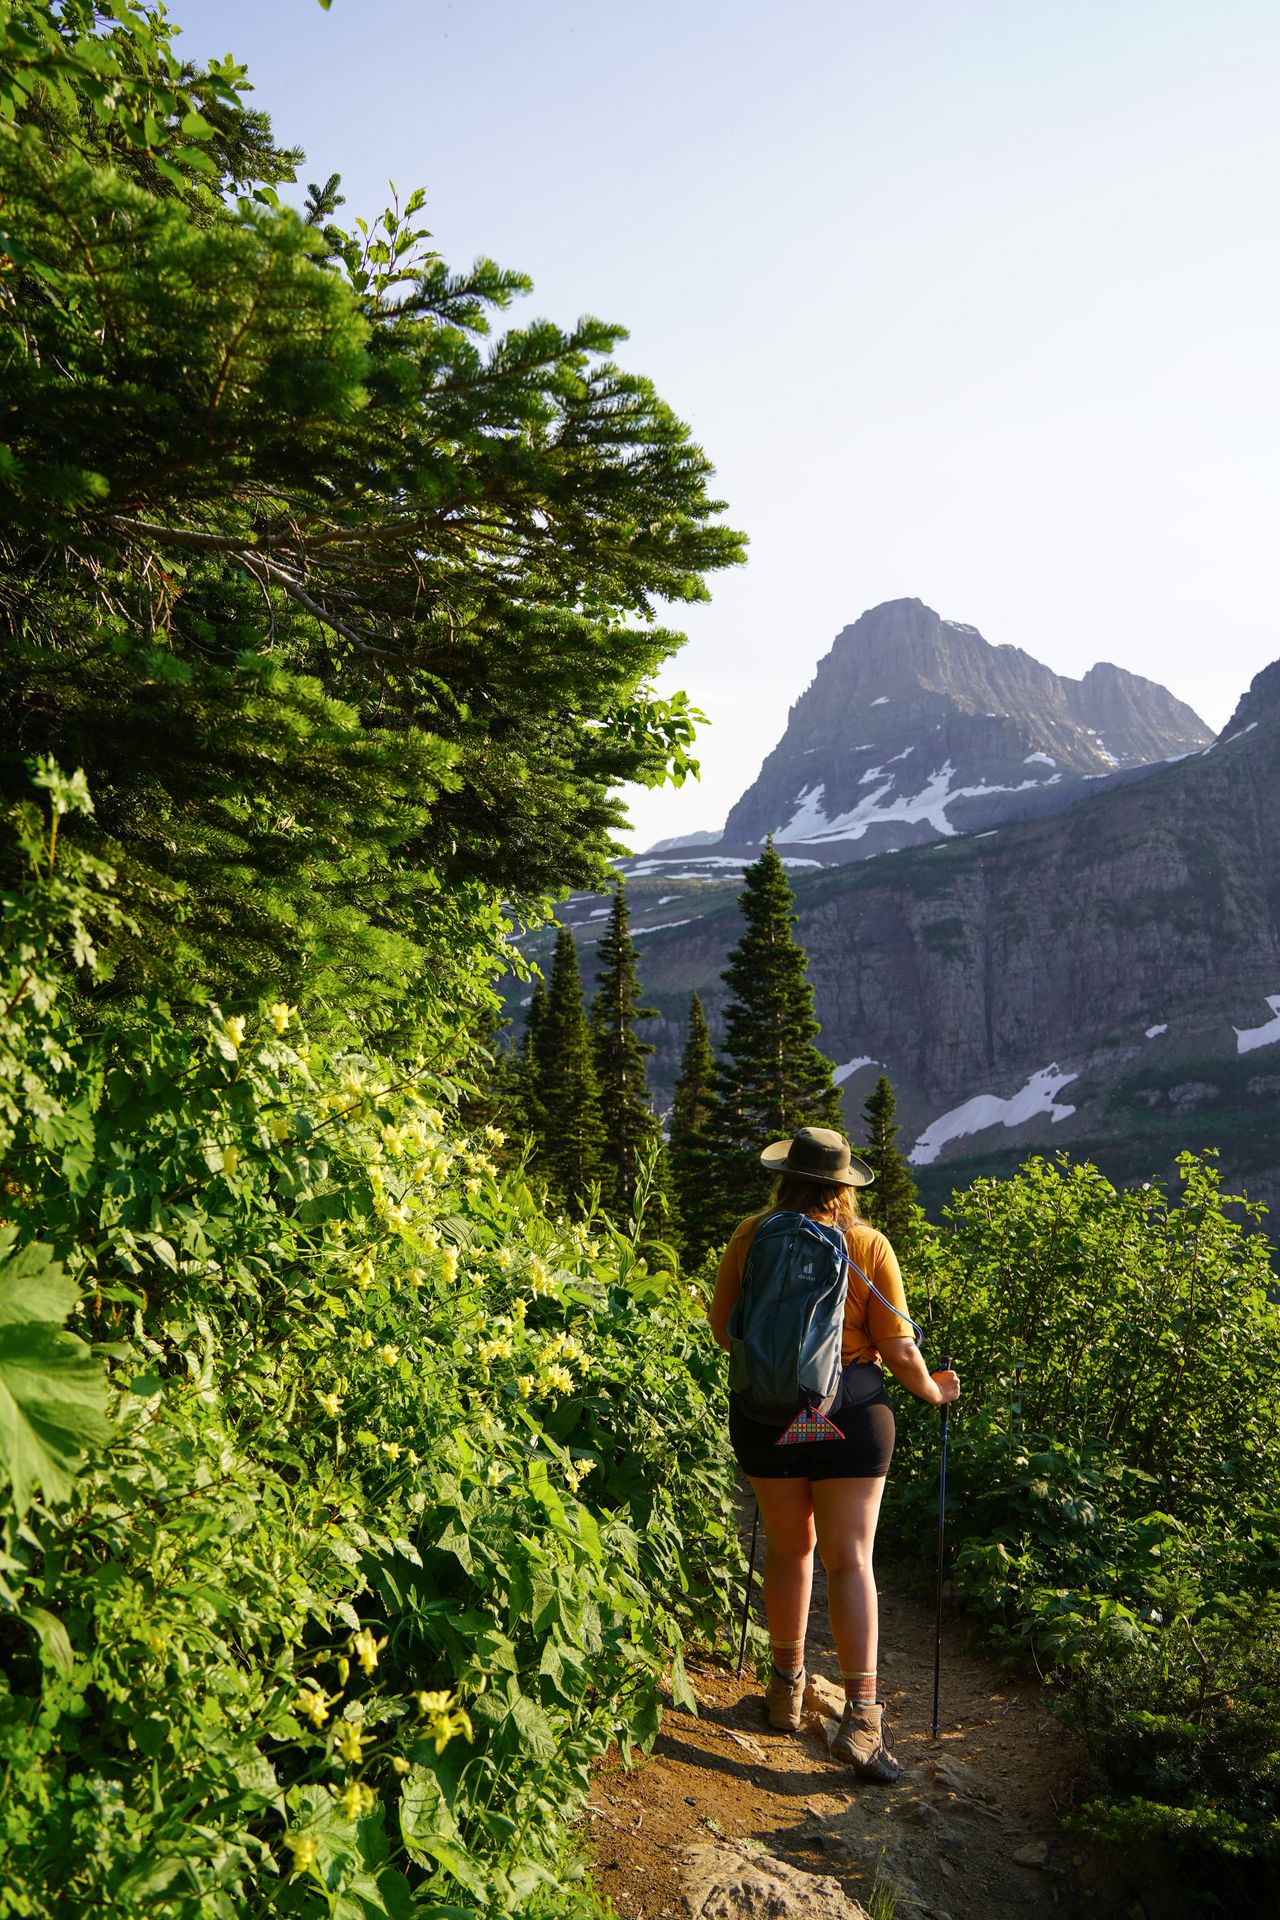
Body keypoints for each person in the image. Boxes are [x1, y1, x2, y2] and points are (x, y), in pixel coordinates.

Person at [708, 1126, 960, 1782]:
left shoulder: (750, 1234)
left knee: (790, 1551)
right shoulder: (867, 1244)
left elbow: (722, 1328)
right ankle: (863, 1721)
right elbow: (899, 1348)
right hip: (849, 1413)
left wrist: (782, 1375)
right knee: (850, 1563)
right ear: (846, 1187)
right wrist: (933, 1392)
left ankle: (786, 1693)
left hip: (770, 1416)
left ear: (785, 1176)